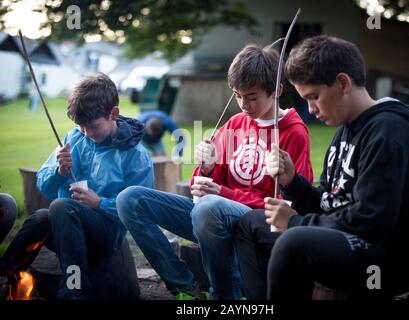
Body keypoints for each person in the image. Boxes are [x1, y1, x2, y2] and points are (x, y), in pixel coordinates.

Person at [234, 35, 409, 300]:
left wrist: (296, 222)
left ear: (343, 83)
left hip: (388, 256)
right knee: (250, 222)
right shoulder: (344, 131)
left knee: (292, 243)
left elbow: (371, 219)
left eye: (314, 97)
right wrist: (293, 182)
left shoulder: (388, 133)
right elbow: (331, 202)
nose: (311, 110)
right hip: (350, 237)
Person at [117, 44, 313, 299]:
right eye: (237, 95)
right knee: (130, 199)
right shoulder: (235, 123)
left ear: (276, 90)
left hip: (253, 225)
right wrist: (206, 169)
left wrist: (222, 194)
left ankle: (225, 297)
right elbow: (204, 189)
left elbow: (292, 205)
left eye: (252, 96)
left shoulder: (293, 132)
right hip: (209, 218)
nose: (244, 104)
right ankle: (184, 286)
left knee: (210, 207)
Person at [0, 73, 153, 299]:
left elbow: (142, 209)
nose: (86, 133)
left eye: (92, 125)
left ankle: (73, 290)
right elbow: (45, 186)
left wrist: (99, 203)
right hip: (67, 227)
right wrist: (59, 171)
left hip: (106, 234)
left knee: (62, 207)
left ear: (114, 114)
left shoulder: (136, 155)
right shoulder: (75, 137)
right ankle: (9, 275)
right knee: (41, 217)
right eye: (80, 126)